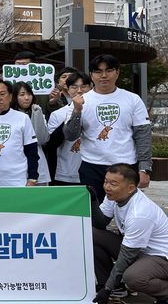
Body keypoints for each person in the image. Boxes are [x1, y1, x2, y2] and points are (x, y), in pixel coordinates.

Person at [64, 54, 152, 201]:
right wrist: (77, 111)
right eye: (98, 72)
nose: (104, 75)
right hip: (92, 166)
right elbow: (70, 135)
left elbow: (143, 136)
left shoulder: (133, 99)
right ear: (91, 75)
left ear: (117, 72)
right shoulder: (79, 101)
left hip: (126, 166)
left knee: (127, 212)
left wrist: (144, 169)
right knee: (94, 215)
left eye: (109, 70)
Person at [92, 164, 168, 304]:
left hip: (161, 257)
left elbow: (126, 256)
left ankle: (165, 294)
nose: (107, 187)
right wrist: (93, 201)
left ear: (131, 188)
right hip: (139, 250)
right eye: (106, 181)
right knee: (93, 235)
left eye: (113, 184)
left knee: (133, 277)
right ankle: (116, 288)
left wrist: (107, 290)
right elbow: (100, 223)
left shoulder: (139, 213)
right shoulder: (113, 195)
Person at [47, 72, 91, 185]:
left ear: (91, 87)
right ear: (68, 89)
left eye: (84, 86)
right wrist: (73, 114)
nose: (79, 90)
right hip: (66, 173)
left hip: (93, 170)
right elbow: (51, 144)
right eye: (74, 87)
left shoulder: (96, 110)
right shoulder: (57, 114)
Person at [11, 82, 51, 185]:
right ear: (14, 97)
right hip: (15, 168)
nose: (27, 98)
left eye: (29, 94)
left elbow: (42, 139)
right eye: (22, 94)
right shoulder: (9, 116)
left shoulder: (37, 111)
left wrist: (37, 115)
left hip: (38, 166)